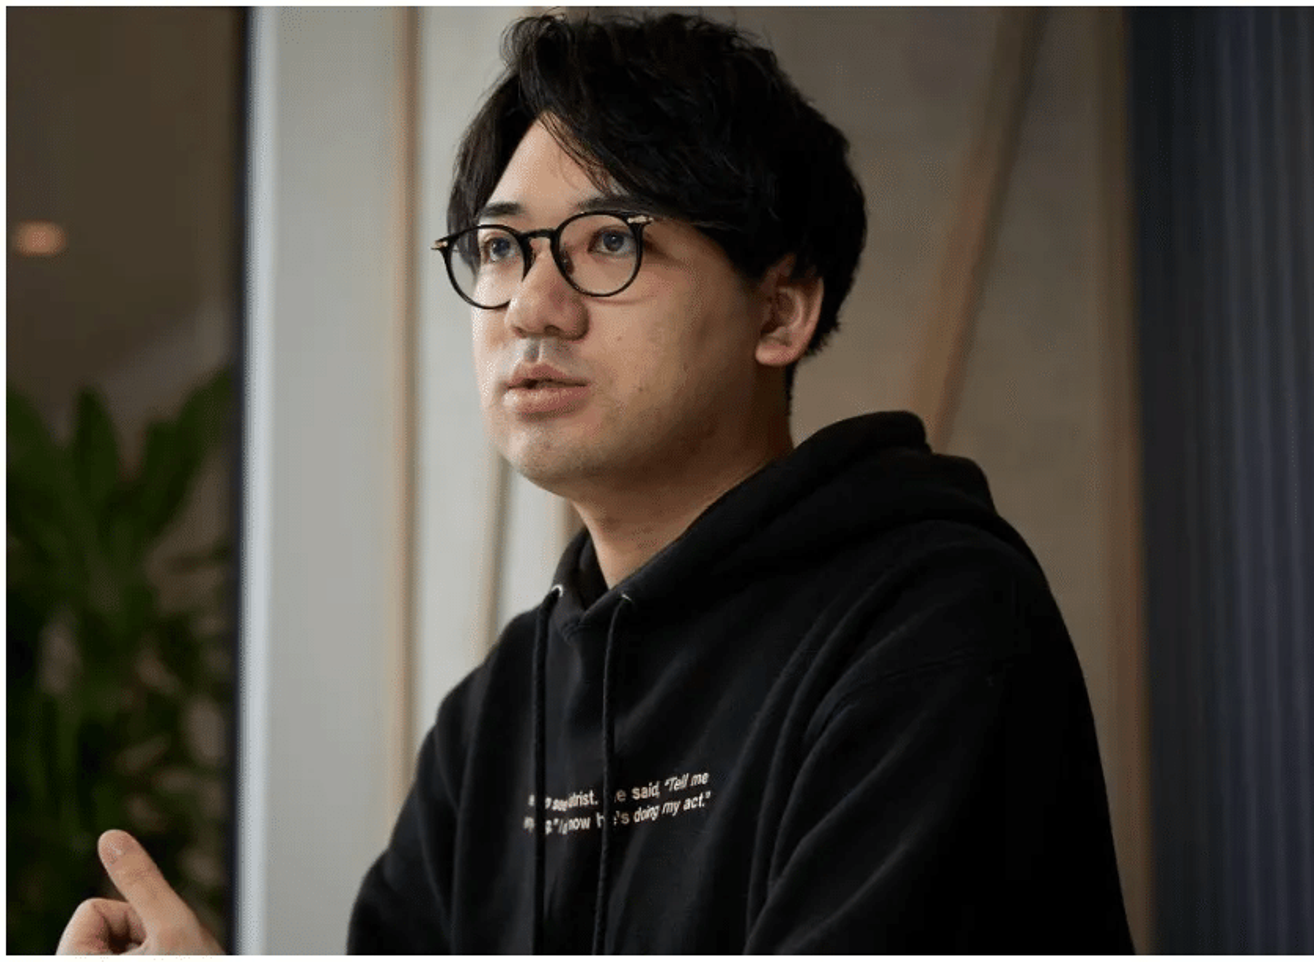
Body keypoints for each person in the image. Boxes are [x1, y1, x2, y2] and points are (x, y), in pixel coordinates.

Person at [60, 11, 1133, 954]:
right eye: (501, 248)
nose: (532, 305)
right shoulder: (499, 712)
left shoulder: (931, 624)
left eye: (610, 239)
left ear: (779, 311)